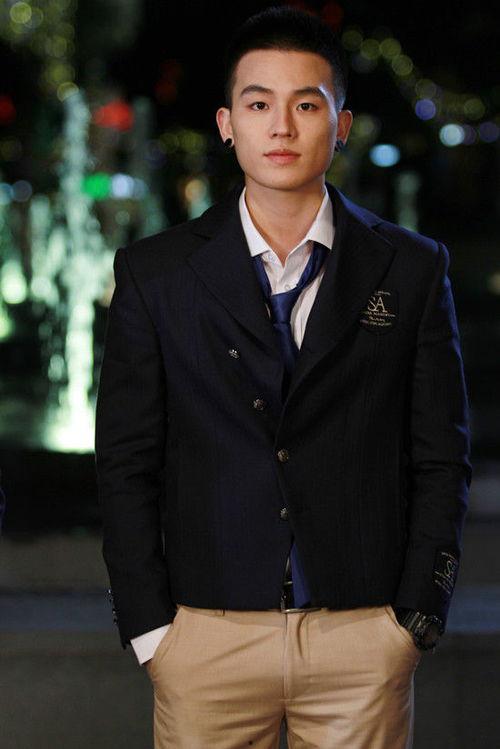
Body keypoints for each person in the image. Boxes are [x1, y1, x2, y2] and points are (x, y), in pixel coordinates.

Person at [94, 6, 472, 748]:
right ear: (227, 123)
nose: (282, 127)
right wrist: (150, 628)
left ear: (342, 123)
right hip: (205, 636)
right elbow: (125, 460)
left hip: (361, 634)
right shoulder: (155, 273)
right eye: (259, 104)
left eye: (307, 105)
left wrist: (415, 617)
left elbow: (441, 454)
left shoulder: (413, 267)